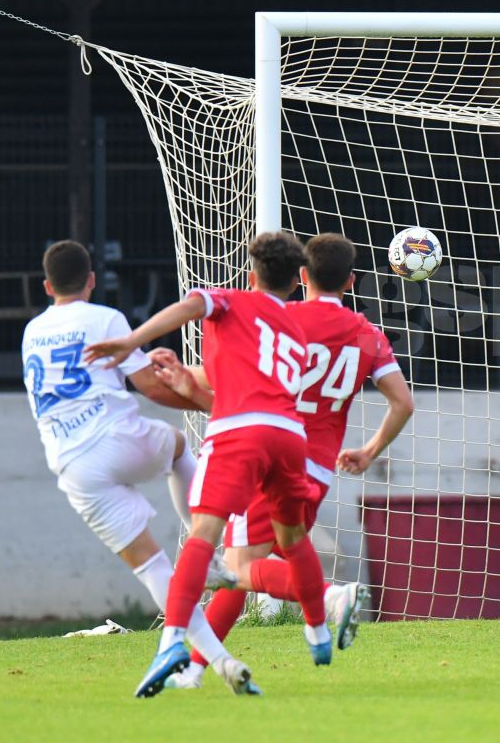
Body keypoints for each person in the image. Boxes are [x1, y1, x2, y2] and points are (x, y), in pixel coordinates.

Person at [157, 232, 414, 689]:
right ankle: (195, 669)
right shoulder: (368, 334)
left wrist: (185, 383)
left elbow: (235, 373)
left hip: (266, 454)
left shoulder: (282, 316)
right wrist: (370, 451)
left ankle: (333, 599)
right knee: (266, 557)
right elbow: (403, 403)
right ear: (351, 281)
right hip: (314, 465)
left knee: (235, 568)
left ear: (301, 276)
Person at [85, 231, 333, 698]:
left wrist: (131, 341)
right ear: (294, 284)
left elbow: (188, 308)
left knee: (203, 536)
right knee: (293, 539)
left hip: (239, 433)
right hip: (289, 436)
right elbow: (250, 391)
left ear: (250, 273)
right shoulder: (296, 329)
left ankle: (172, 641)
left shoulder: (231, 301)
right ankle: (318, 632)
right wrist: (189, 383)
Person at [21, 240, 248, 693]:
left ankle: (208, 659)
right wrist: (213, 400)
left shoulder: (31, 330)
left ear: (47, 286)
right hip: (113, 436)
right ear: (90, 280)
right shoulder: (104, 318)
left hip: (71, 466)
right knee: (179, 445)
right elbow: (153, 390)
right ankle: (205, 556)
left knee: (152, 568)